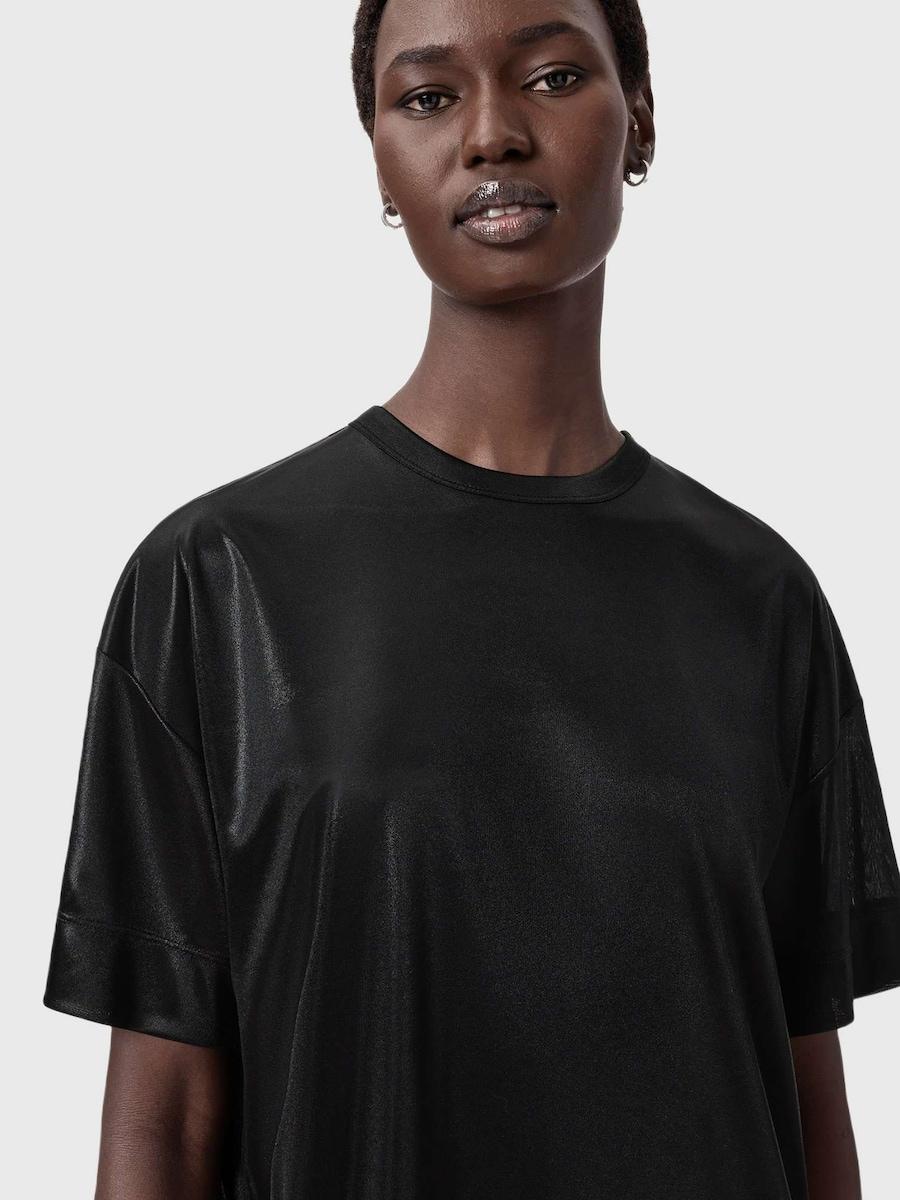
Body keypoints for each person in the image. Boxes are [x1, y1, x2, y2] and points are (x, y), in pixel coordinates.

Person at [43, 0, 900, 1197]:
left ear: (642, 120)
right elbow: (165, 1117)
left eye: (551, 76)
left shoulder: (762, 601)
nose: (492, 133)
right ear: (381, 161)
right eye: (429, 97)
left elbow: (808, 1105)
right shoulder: (215, 579)